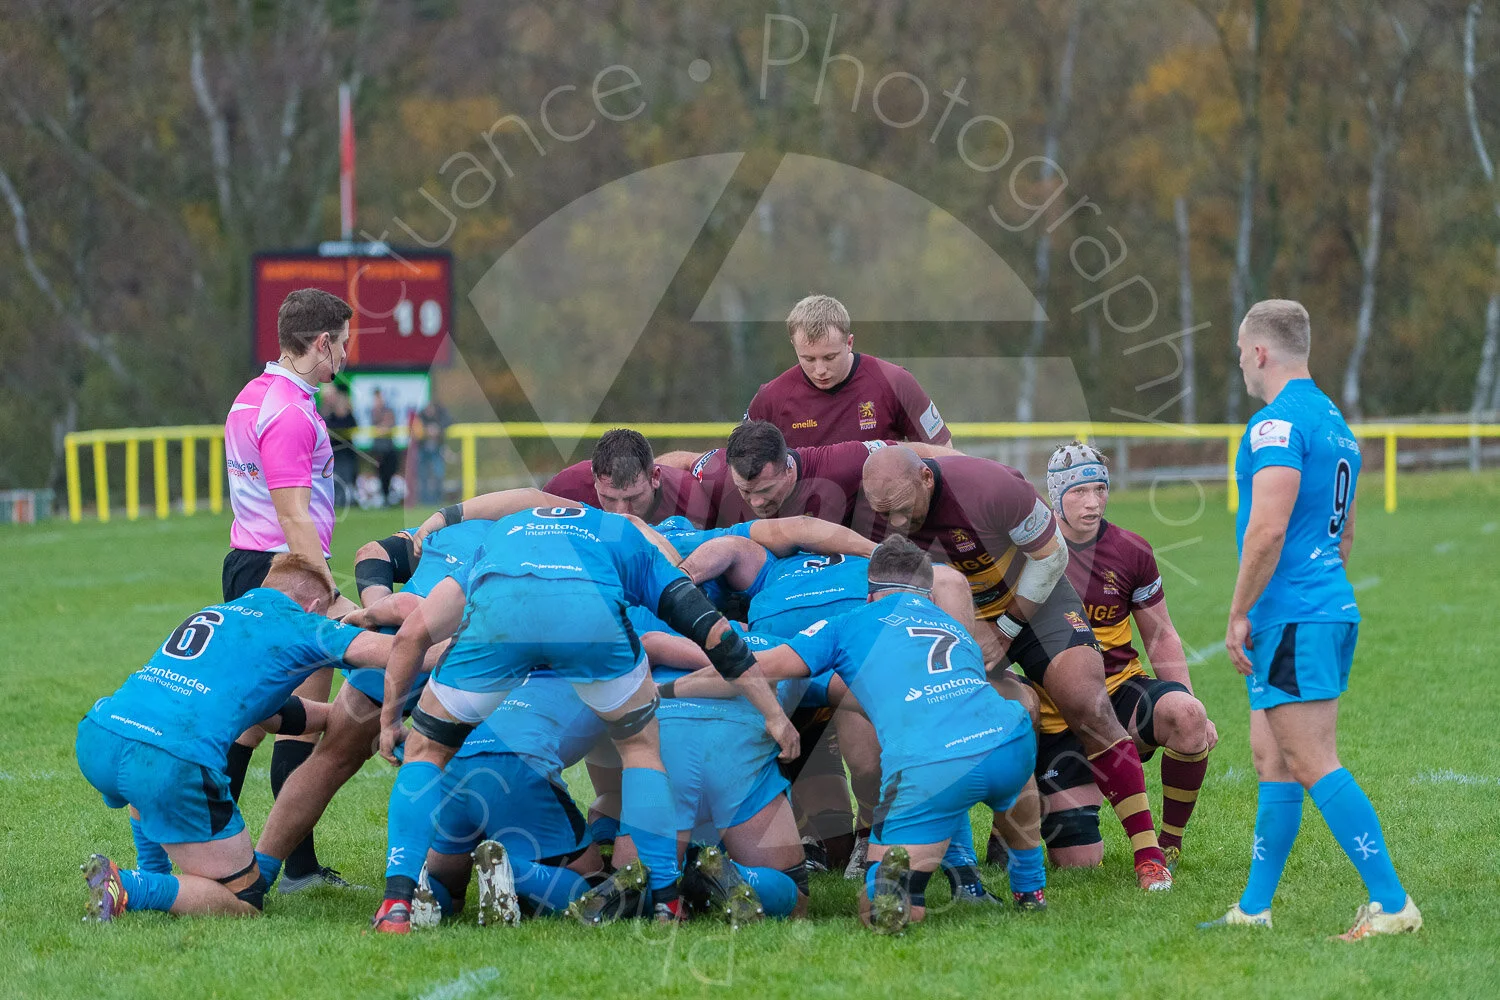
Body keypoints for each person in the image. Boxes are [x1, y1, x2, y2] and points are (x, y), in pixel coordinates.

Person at [369, 504, 797, 933]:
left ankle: (396, 903)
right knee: (641, 752)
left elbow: (412, 633)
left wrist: (389, 721)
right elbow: (714, 632)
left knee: (425, 751)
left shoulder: (503, 533)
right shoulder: (627, 539)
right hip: (587, 621)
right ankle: (668, 900)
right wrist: (774, 714)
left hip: (501, 616)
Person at [683, 535, 1035, 933]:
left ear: (869, 595)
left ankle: (886, 884)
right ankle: (1028, 891)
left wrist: (675, 686)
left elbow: (758, 667)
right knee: (991, 781)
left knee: (875, 899)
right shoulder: (952, 625)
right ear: (928, 593)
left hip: (928, 759)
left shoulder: (846, 621)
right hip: (1010, 738)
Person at [861, 445, 1174, 891]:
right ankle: (982, 846)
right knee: (962, 716)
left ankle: (1150, 856)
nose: (894, 521)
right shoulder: (878, 505)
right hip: (958, 617)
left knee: (1089, 706)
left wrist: (1007, 628)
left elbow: (1053, 556)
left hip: (1036, 600)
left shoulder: (990, 487)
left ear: (926, 479)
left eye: (901, 508)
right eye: (883, 512)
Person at [1203, 299, 1420, 939]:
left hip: (1294, 615)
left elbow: (1267, 530)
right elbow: (1345, 532)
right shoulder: (1333, 421)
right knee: (1272, 760)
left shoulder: (1275, 424)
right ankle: (1253, 910)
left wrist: (1239, 611)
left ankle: (1392, 903)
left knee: (1312, 758)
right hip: (1318, 607)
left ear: (1261, 351)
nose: (1240, 363)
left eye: (1240, 351)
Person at [76, 555, 403, 921]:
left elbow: (274, 715)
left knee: (148, 761)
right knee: (246, 900)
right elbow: (400, 651)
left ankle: (151, 872)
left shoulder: (219, 612)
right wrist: (452, 646)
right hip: (165, 761)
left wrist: (341, 720)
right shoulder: (299, 623)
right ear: (313, 606)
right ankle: (130, 886)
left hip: (100, 734)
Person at [1022, 441, 1216, 872]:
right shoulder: (1027, 553)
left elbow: (1161, 635)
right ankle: (1019, 817)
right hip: (1058, 711)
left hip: (1118, 691)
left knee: (1188, 715)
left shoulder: (1131, 550)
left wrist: (1191, 700)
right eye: (1078, 492)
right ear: (1055, 496)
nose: (1093, 503)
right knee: (1079, 864)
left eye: (1100, 489)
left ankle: (1169, 844)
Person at [222, 287, 356, 893]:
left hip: (250, 565)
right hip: (287, 572)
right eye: (343, 343)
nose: (345, 356)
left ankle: (216, 851)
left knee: (253, 718)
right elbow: (293, 513)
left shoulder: (252, 395)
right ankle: (290, 869)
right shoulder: (292, 412)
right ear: (321, 343)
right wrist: (326, 589)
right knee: (295, 723)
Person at [409, 670, 611, 927]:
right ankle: (511, 870)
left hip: (455, 763)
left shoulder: (514, 665)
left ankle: (424, 886)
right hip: (516, 764)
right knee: (593, 883)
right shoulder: (605, 672)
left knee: (449, 887)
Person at [746, 294, 952, 448]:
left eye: (830, 357)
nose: (820, 370)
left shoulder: (895, 382)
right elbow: (741, 467)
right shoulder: (771, 398)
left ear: (849, 343)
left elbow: (944, 452)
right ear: (794, 346)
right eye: (808, 359)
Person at [664, 420, 958, 527]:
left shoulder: (842, 463)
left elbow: (919, 451)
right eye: (745, 492)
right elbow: (680, 461)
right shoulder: (717, 473)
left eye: (765, 490)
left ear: (788, 467)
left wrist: (970, 466)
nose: (756, 502)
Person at [544, 428, 713, 525]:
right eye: (608, 498)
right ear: (594, 479)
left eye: (633, 498)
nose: (621, 513)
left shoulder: (693, 501)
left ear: (655, 477)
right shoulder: (566, 488)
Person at [323, 387, 359, 510]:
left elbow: (353, 427)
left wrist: (344, 414)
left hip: (347, 454)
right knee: (336, 477)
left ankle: (347, 501)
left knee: (347, 477)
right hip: (335, 453)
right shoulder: (329, 415)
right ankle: (337, 501)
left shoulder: (349, 416)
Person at [413, 398, 452, 505]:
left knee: (439, 474)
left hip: (437, 450)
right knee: (423, 476)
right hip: (423, 450)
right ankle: (425, 500)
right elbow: (415, 429)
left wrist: (438, 429)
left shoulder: (441, 415)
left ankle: (438, 499)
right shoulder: (420, 416)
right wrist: (426, 430)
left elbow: (450, 421)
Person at [369, 389, 401, 506]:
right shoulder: (373, 411)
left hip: (389, 448)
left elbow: (391, 424)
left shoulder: (389, 410)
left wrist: (383, 427)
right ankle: (384, 497)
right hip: (378, 449)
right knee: (381, 474)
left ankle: (389, 496)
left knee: (390, 472)